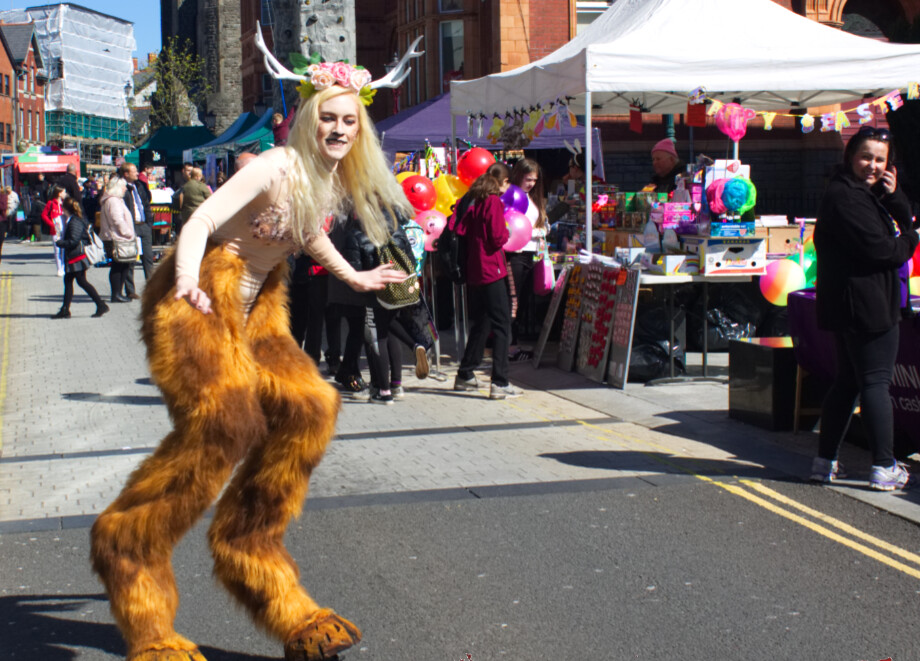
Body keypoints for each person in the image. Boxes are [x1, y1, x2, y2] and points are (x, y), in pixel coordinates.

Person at [89, 57, 412, 661]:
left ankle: (248, 545)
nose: (339, 130)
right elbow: (203, 219)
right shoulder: (276, 165)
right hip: (198, 297)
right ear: (309, 121)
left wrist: (358, 276)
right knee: (225, 423)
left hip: (256, 309)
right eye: (329, 119)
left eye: (349, 120)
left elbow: (306, 235)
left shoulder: (328, 179)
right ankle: (129, 546)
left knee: (311, 406)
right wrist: (186, 278)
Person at [811, 125, 919, 491]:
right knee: (875, 383)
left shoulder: (865, 194)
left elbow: (901, 219)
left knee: (848, 383)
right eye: (865, 157)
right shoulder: (847, 198)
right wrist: (911, 239)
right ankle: (884, 466)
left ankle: (824, 461)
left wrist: (895, 196)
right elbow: (883, 250)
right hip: (866, 305)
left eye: (879, 160)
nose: (872, 166)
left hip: (855, 303)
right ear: (850, 157)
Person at [452, 162, 522, 400]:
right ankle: (500, 381)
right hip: (491, 269)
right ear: (503, 182)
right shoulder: (492, 201)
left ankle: (465, 373)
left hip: (475, 270)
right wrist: (508, 233)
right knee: (503, 324)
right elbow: (496, 237)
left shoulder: (473, 199)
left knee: (482, 323)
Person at [507, 158, 548, 357]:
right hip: (516, 253)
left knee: (522, 300)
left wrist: (542, 230)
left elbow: (541, 223)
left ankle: (513, 344)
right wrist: (536, 232)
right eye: (528, 178)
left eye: (534, 179)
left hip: (532, 253)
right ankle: (510, 345)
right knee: (513, 301)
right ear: (519, 176)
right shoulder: (513, 196)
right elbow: (512, 227)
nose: (531, 183)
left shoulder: (532, 198)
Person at [50, 197, 109, 319]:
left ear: (65, 209)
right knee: (69, 281)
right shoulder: (74, 219)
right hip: (75, 256)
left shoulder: (74, 221)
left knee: (81, 281)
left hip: (77, 256)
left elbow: (73, 240)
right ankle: (65, 309)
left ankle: (100, 304)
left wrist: (60, 242)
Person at [98, 176, 137, 303]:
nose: (125, 188)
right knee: (118, 265)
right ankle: (116, 294)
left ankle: (118, 293)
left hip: (119, 236)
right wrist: (127, 232)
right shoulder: (113, 201)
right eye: (123, 186)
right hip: (117, 237)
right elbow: (117, 220)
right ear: (118, 187)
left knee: (124, 265)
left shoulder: (115, 200)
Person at [119, 162, 154, 286]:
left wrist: (149, 222)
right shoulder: (121, 188)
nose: (137, 173)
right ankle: (130, 290)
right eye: (134, 171)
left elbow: (146, 203)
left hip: (144, 224)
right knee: (131, 259)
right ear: (126, 174)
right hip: (131, 226)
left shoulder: (140, 185)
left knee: (148, 258)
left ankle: (151, 287)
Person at [42, 185, 66, 276]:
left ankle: (63, 267)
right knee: (57, 250)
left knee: (64, 249)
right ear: (59, 193)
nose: (65, 194)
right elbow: (44, 215)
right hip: (56, 229)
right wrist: (51, 224)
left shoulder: (64, 203)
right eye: (64, 192)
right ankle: (59, 269)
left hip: (65, 228)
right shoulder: (50, 203)